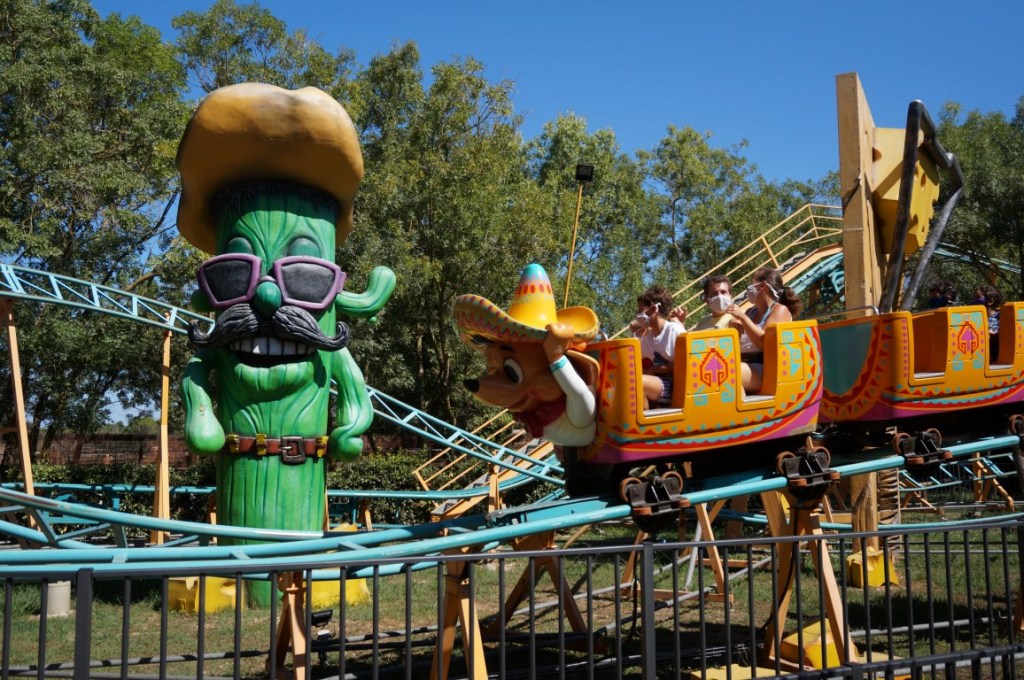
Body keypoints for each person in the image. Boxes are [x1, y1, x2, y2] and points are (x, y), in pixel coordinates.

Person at [725, 267, 802, 394]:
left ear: (763, 286)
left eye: (752, 284)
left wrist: (743, 318)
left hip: (764, 368)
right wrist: (733, 326)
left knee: (726, 371)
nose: (749, 289)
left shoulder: (779, 310)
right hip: (744, 364)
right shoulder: (750, 312)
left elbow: (765, 344)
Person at [632, 285, 686, 408]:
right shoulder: (647, 337)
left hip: (676, 385)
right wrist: (636, 337)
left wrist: (653, 370)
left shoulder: (675, 331)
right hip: (658, 384)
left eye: (641, 310)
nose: (638, 315)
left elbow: (682, 363)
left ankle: (643, 419)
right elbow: (638, 362)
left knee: (639, 383)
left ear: (654, 309)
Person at [974, 284, 1004, 362]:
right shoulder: (976, 320)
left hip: (994, 355)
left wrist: (991, 333)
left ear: (990, 301)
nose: (974, 301)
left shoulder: (1000, 317)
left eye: (978, 297)